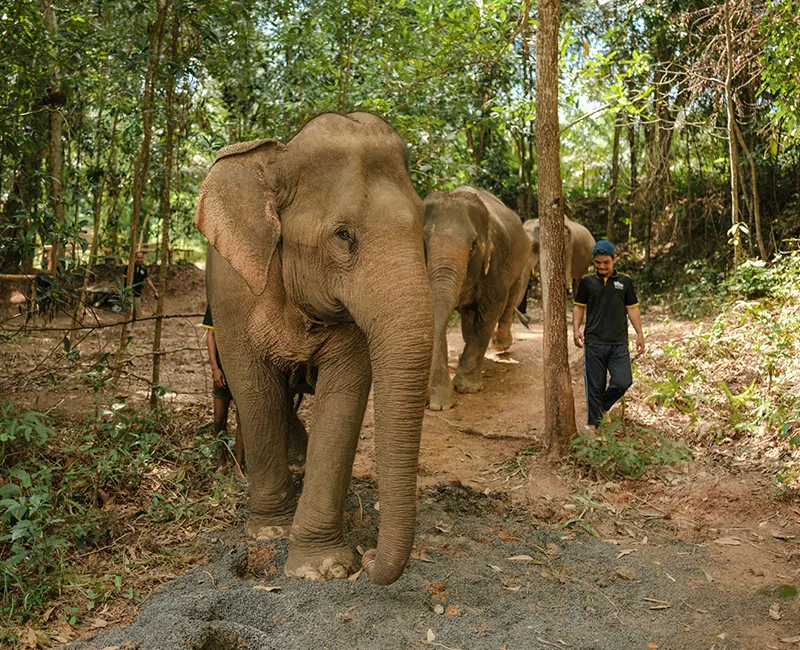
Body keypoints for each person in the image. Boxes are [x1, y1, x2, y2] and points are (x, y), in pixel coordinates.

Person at [572, 240, 645, 429]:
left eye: (606, 262)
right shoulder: (587, 282)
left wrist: (639, 334)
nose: (602, 266)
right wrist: (575, 329)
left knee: (623, 381)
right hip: (594, 342)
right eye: (598, 263)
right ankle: (598, 431)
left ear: (614, 259)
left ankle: (602, 408)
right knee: (594, 387)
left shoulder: (625, 282)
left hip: (618, 342)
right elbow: (579, 308)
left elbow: (633, 309)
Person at [202, 305, 245, 481]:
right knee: (219, 418)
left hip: (243, 369)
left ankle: (238, 466)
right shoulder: (216, 300)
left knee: (242, 419)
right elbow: (211, 336)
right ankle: (221, 460)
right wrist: (214, 368)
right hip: (222, 368)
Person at [127, 251, 158, 339]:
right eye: (138, 258)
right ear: (135, 258)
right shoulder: (129, 268)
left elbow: (148, 280)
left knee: (136, 313)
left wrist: (155, 291)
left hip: (138, 294)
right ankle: (128, 330)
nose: (140, 260)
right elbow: (123, 279)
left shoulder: (143, 270)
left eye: (141, 258)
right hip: (129, 293)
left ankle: (132, 329)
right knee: (130, 311)